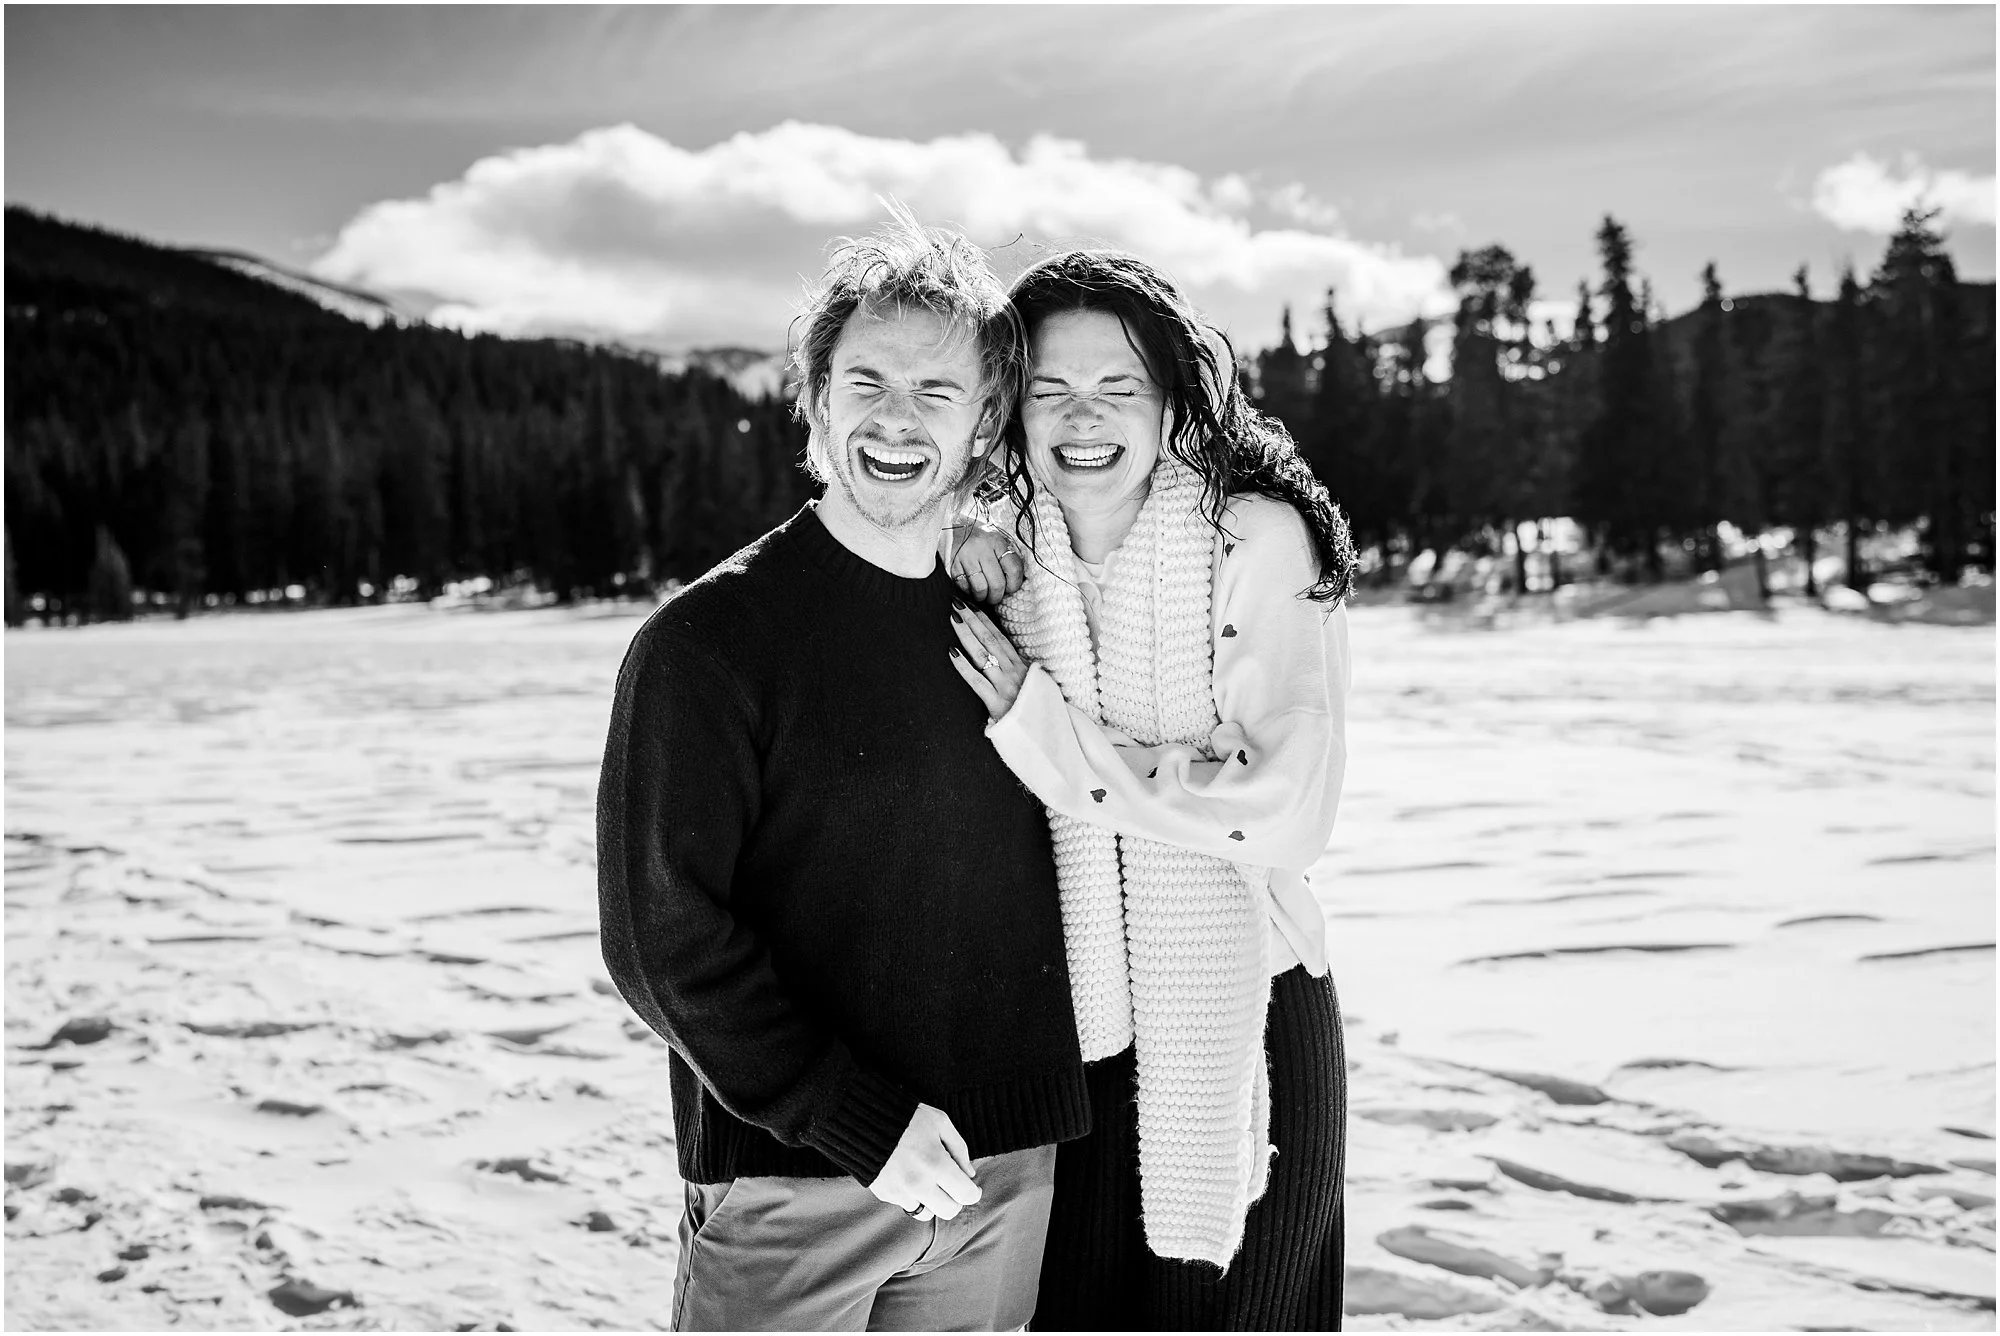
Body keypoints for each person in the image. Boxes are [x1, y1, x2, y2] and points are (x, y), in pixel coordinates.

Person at [597, 210, 1090, 1332]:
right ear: (815, 399)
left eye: (937, 393)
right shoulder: (709, 643)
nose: (897, 421)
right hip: (795, 1183)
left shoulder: (1011, 619)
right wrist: (851, 1119)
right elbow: (658, 941)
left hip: (1000, 1176)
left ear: (984, 421)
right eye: (866, 381)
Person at [945, 248, 1356, 1329]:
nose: (1084, 417)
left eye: (1117, 387)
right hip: (1070, 1025)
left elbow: (1283, 806)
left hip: (1243, 1003)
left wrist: (1056, 737)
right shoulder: (1000, 555)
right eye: (1050, 390)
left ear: (1172, 398)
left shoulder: (1249, 538)